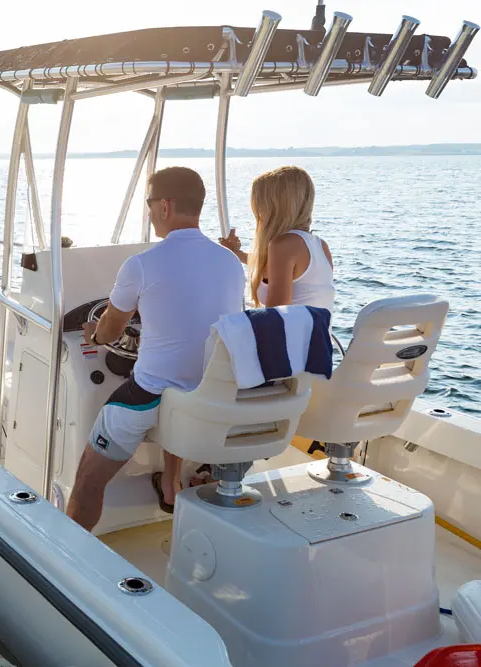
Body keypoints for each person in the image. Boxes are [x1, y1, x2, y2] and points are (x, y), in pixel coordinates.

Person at [66, 167, 244, 530]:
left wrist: (94, 336)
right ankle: (169, 483)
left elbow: (112, 328)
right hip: (208, 397)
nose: (148, 213)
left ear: (165, 206)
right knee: (180, 387)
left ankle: (65, 552)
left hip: (149, 397)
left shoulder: (141, 265)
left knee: (88, 478)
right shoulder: (231, 262)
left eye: (149, 204)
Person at [220, 165, 335, 311]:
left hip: (291, 327)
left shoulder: (284, 245)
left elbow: (275, 316)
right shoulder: (319, 245)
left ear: (271, 206)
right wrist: (237, 253)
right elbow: (275, 268)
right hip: (318, 327)